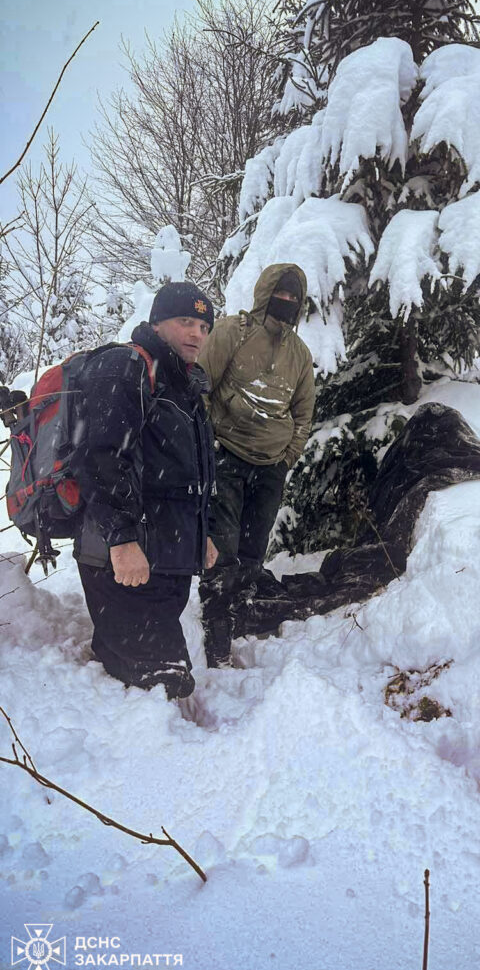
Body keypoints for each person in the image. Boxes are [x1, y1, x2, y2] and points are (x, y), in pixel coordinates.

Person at [73, 282, 218, 699]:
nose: (197, 334)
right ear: (158, 322)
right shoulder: (127, 367)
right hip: (121, 560)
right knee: (164, 683)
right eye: (185, 321)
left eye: (205, 326)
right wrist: (120, 541)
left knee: (168, 675)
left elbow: (187, 475)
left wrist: (201, 533)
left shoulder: (184, 387)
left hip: (163, 560)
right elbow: (101, 458)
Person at [198, 262, 315, 667]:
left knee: (253, 548)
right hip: (226, 456)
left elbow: (304, 413)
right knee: (222, 548)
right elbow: (202, 386)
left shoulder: (300, 354)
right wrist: (208, 445)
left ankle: (238, 611)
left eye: (294, 298)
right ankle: (214, 626)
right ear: (265, 294)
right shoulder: (233, 331)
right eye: (280, 294)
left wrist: (287, 457)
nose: (287, 302)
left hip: (270, 467)